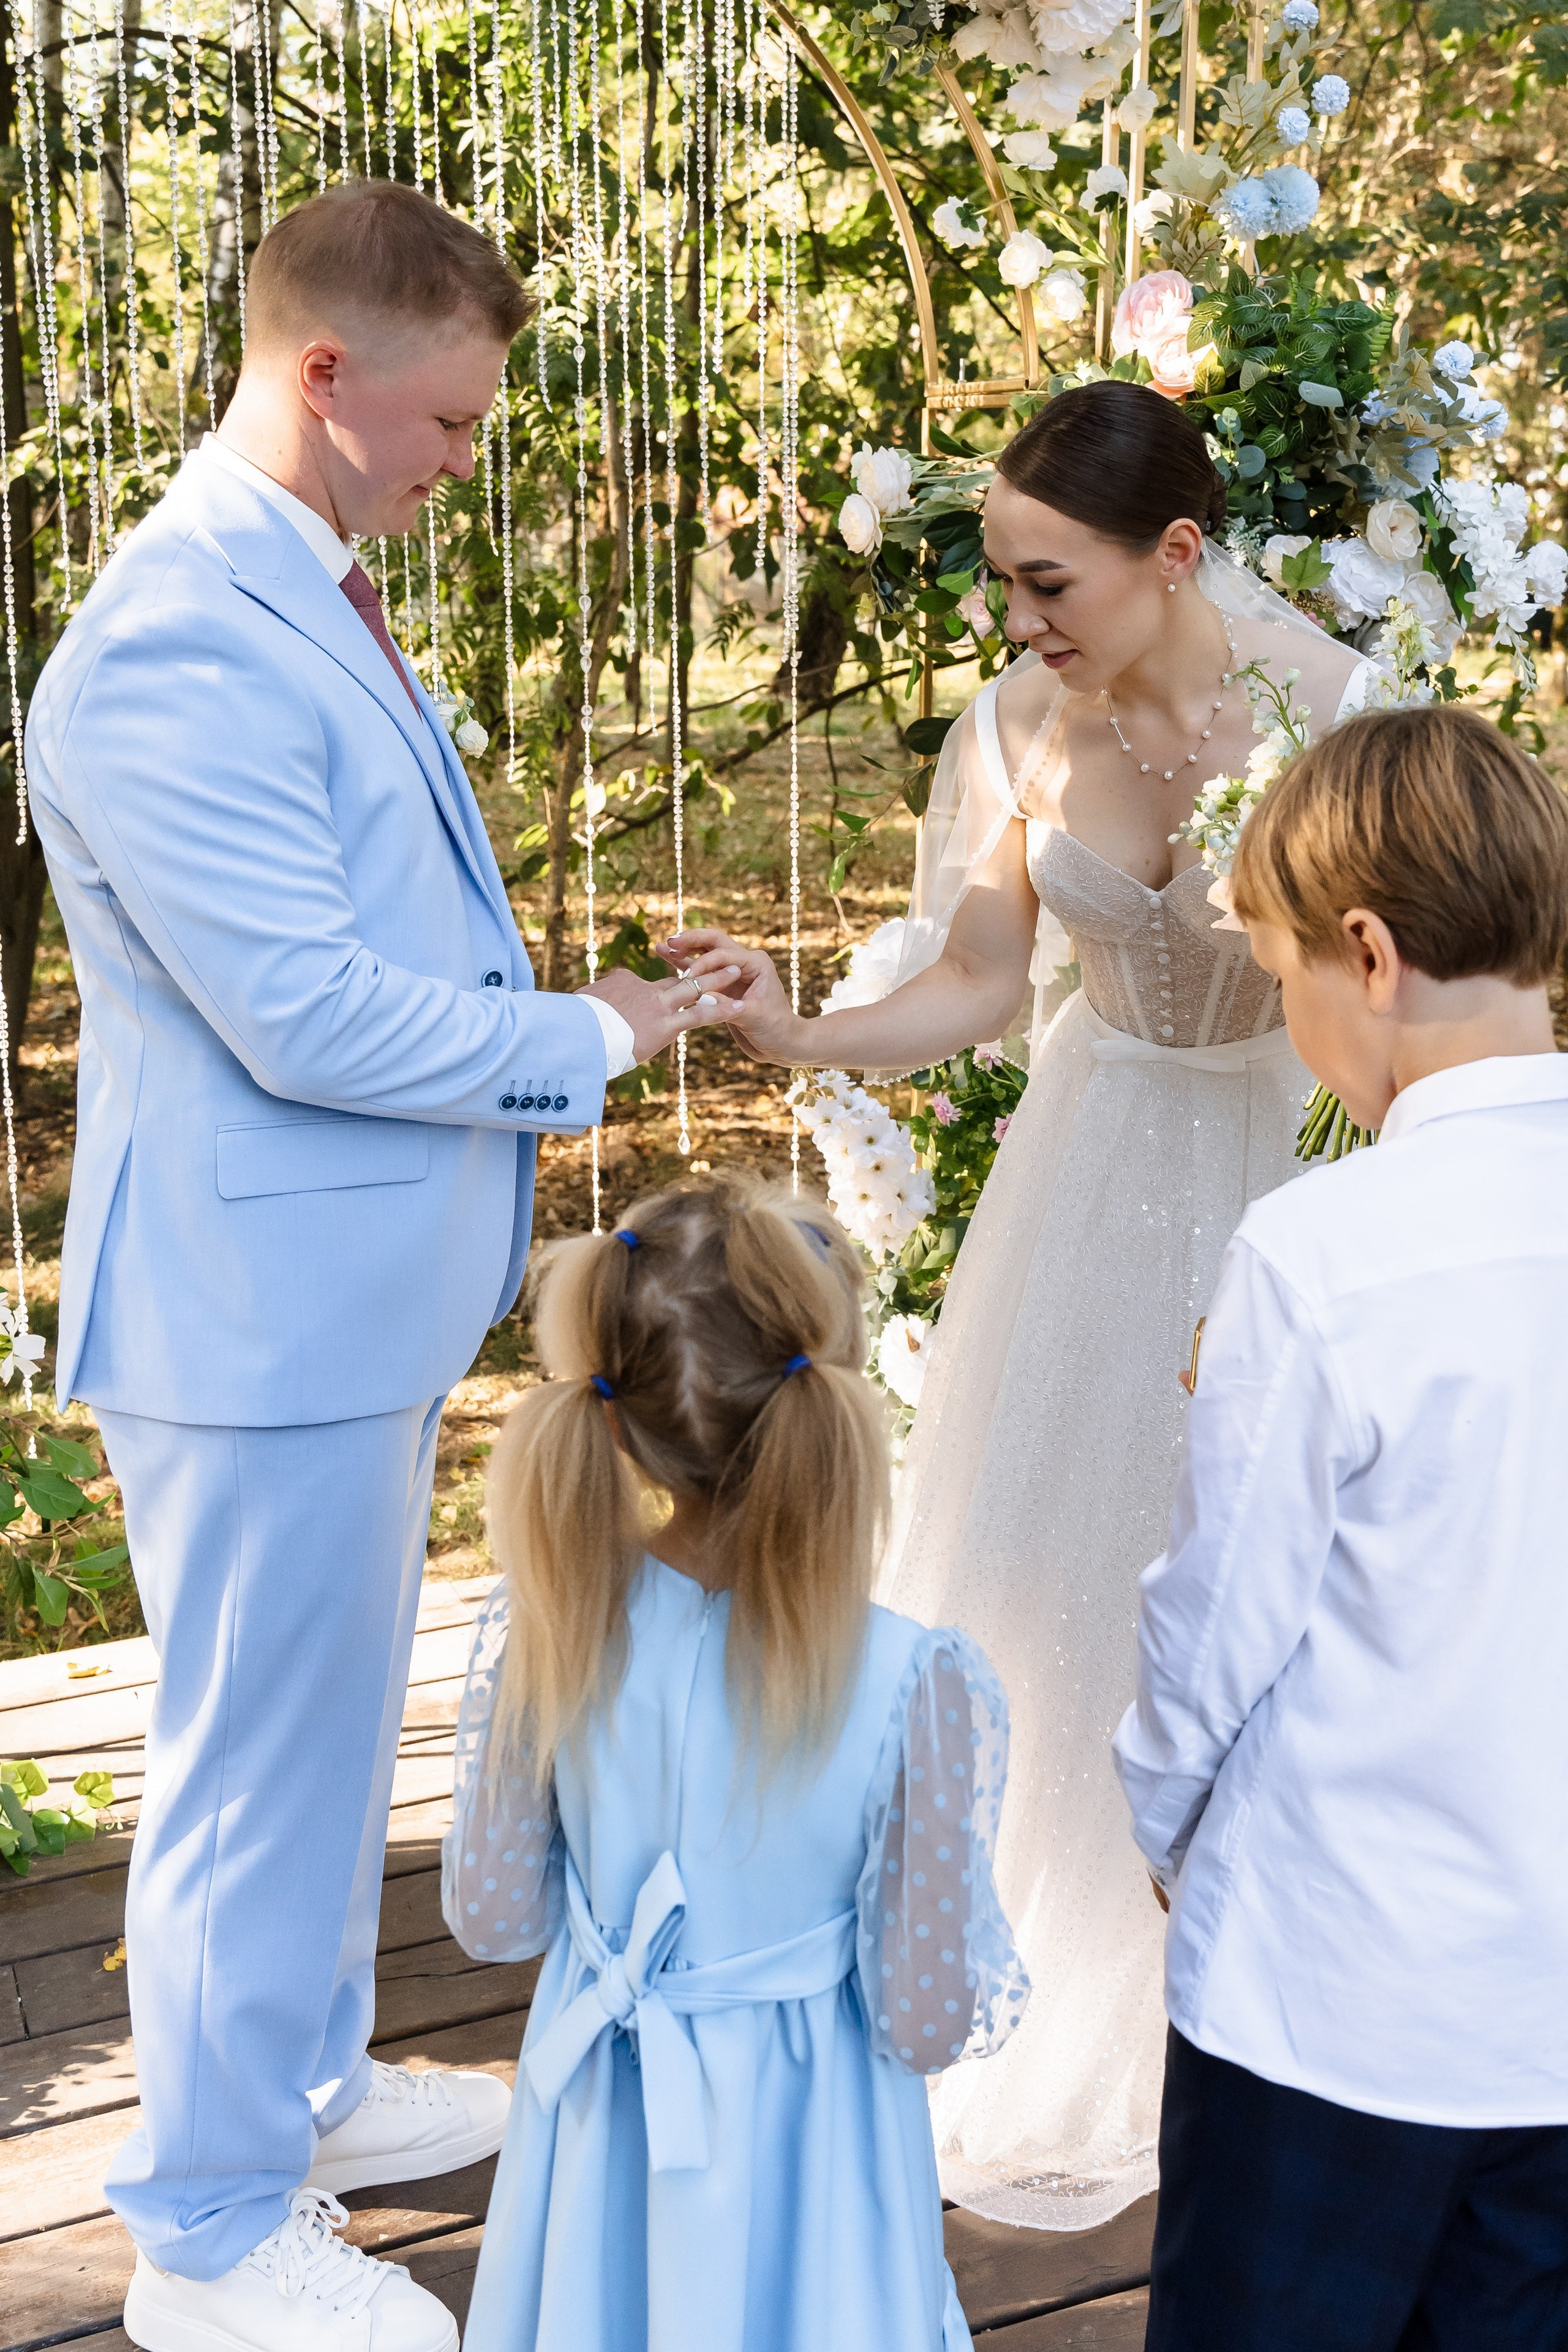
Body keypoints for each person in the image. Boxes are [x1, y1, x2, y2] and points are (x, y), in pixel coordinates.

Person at [26, 180, 739, 2352]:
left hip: (331, 1298)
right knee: (252, 1765)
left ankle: (307, 2091)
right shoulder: (170, 636)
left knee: (323, 1743)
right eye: (440, 424)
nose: (456, 467)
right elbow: (307, 1013)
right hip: (254, 1320)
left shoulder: (295, 588)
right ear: (322, 372)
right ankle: (210, 2224)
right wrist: (599, 1034)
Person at [664, 379, 1378, 2224]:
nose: (1023, 622)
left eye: (1051, 583)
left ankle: (1233, 2021)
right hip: (1085, 1170)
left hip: (1276, 1177)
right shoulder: (1009, 726)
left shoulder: (1326, 713)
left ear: (1180, 555)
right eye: (1003, 582)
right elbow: (984, 985)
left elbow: (1395, 995)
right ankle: (1012, 1994)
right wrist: (802, 1027)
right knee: (1035, 1579)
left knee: (1239, 1584)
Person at [1114, 705, 1568, 2351]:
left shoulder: (1324, 1252)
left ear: (1365, 954)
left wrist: (1165, 1817)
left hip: (1333, 2007)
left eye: (1281, 970)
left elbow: (1219, 1620)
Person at [441, 1177, 1029, 2350]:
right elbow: (922, 2023)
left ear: (610, 1412)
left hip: (604, 2138)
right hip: (808, 2170)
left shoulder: (548, 1629)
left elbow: (496, 1920)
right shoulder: (918, 1683)